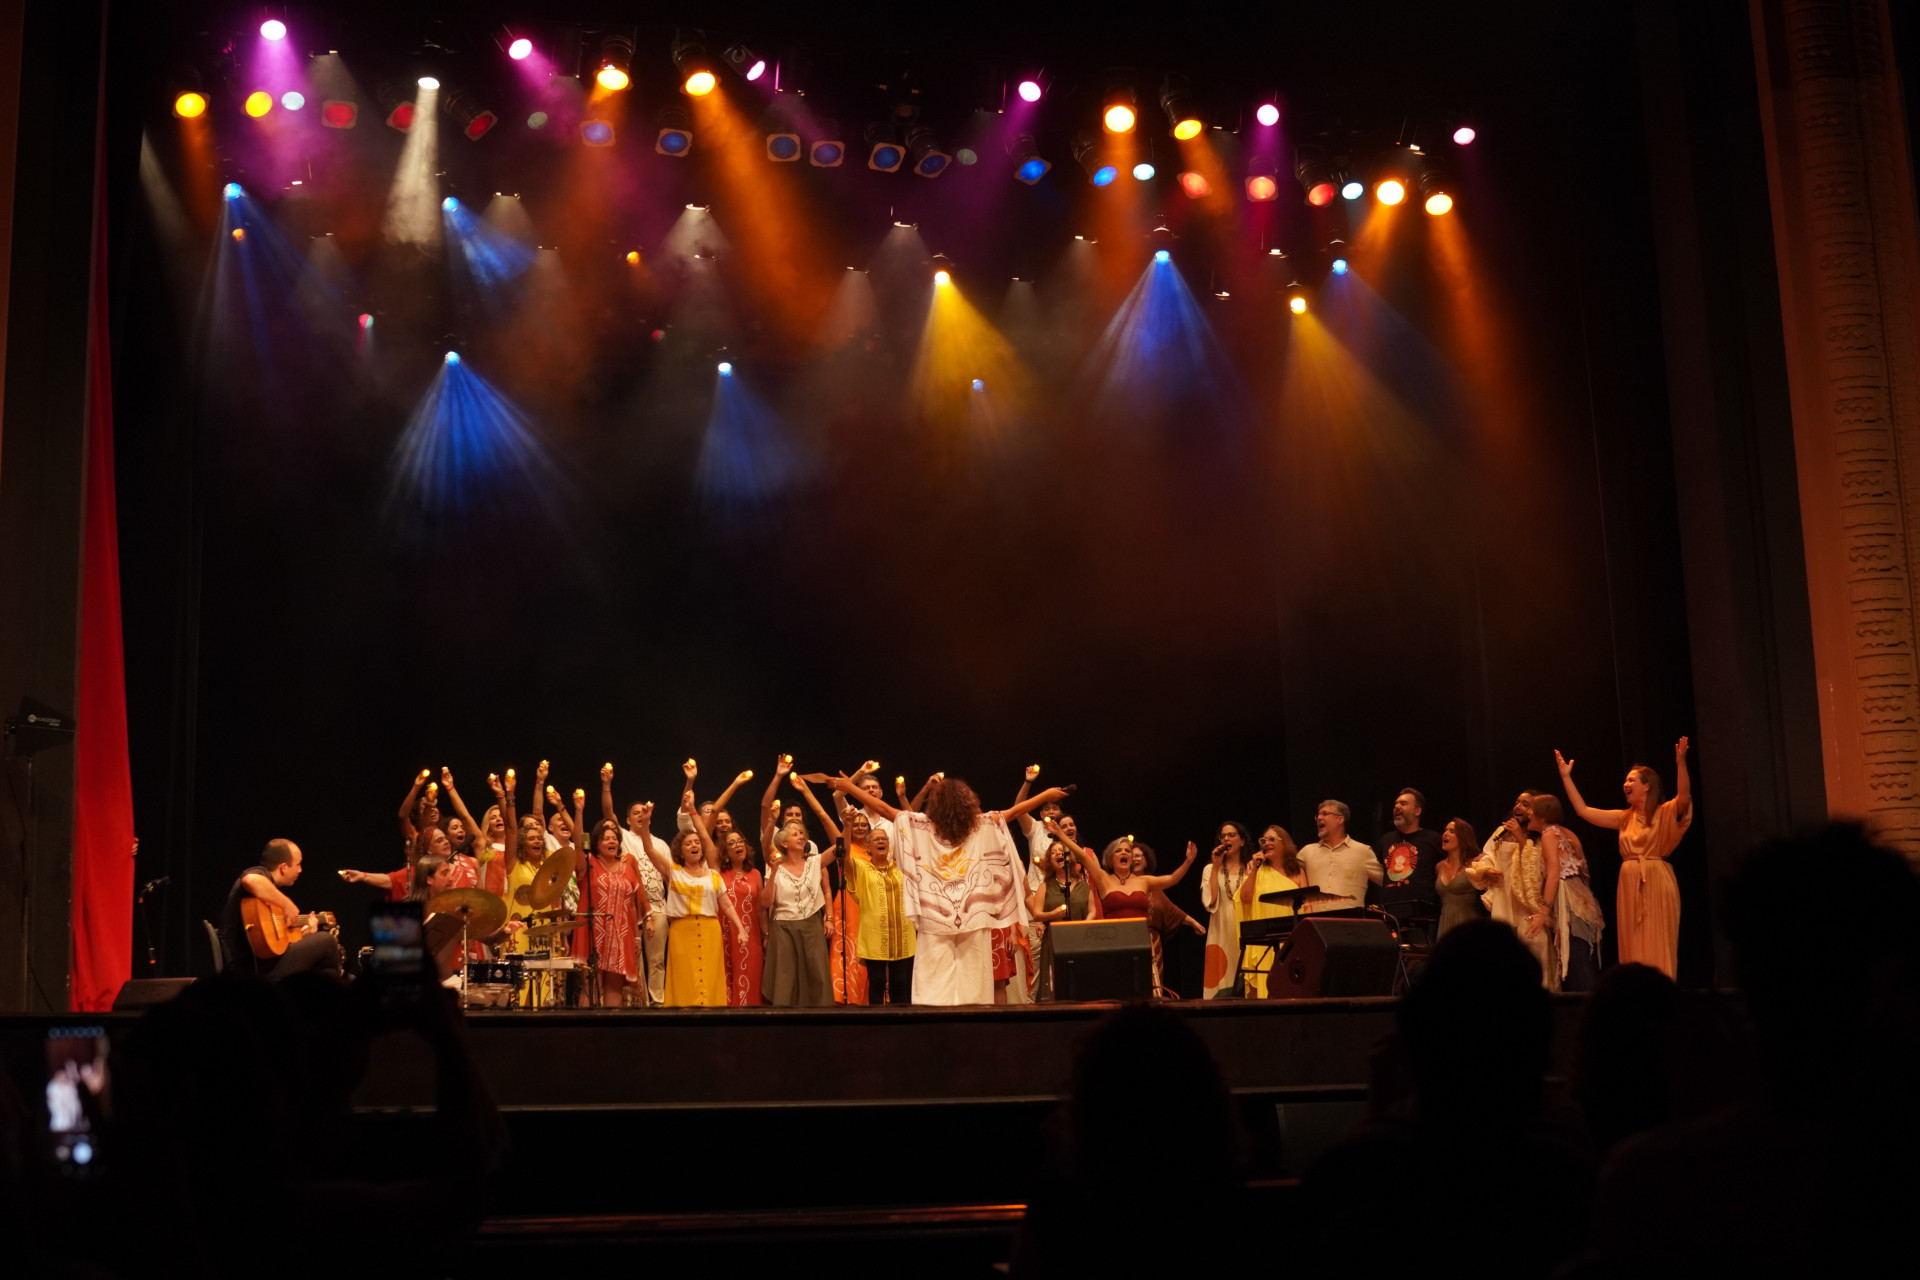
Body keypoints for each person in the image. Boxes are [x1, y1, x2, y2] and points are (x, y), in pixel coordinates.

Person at [831, 773, 1066, 1006]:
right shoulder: (982, 825)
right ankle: (974, 1022)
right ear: (967, 804)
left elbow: (883, 809)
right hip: (974, 917)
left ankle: (934, 1025)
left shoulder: (922, 826)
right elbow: (1014, 812)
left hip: (935, 918)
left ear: (936, 806)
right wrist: (1046, 794)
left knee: (933, 983)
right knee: (975, 982)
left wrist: (850, 788)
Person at [1558, 737, 1693, 979]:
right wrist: (1566, 777)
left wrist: (1680, 762)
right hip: (1629, 882)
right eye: (1626, 779)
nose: (1625, 783)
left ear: (1647, 786)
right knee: (1633, 938)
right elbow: (1584, 811)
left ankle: (1660, 987)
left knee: (1657, 934)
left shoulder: (1664, 813)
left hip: (1656, 879)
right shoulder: (1624, 818)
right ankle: (1635, 990)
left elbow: (1683, 798)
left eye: (1632, 780)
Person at [638, 798, 747, 1007]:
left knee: (710, 978)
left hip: (709, 930)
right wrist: (645, 825)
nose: (694, 845)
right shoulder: (673, 872)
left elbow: (727, 905)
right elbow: (649, 849)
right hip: (682, 931)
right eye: (689, 843)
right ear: (680, 850)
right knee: (684, 980)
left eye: (697, 842)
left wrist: (740, 928)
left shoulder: (713, 876)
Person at [219, 838, 343, 979]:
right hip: (249, 970)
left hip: (261, 964)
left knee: (321, 961)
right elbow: (250, 880)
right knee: (327, 941)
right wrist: (287, 904)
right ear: (284, 867)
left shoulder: (269, 895)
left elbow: (274, 943)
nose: (300, 870)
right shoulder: (259, 874)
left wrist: (304, 935)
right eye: (298, 864)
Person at [760, 777, 836, 1007]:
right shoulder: (775, 866)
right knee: (785, 979)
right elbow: (764, 903)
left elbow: (841, 843)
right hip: (783, 926)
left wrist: (809, 795)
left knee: (817, 976)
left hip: (811, 924)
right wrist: (772, 872)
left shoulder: (815, 862)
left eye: (802, 833)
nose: (801, 836)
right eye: (795, 834)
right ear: (783, 842)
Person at [602, 763, 668, 1004]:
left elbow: (670, 877)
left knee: (658, 959)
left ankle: (658, 1000)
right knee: (636, 958)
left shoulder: (661, 844)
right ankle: (639, 1001)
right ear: (628, 819)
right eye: (636, 813)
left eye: (644, 811)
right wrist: (607, 785)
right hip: (633, 911)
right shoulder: (624, 838)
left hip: (659, 909)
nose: (641, 814)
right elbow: (608, 813)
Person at [1531, 793, 1604, 991]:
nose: (1529, 813)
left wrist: (1543, 912)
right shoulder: (1569, 833)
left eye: (1532, 810)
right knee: (1583, 962)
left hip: (1569, 903)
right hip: (1583, 899)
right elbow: (1585, 873)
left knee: (1577, 963)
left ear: (1542, 816)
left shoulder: (1548, 836)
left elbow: (1554, 875)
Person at [842, 822, 916, 1004]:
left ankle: (904, 1026)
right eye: (876, 839)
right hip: (875, 936)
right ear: (868, 846)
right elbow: (844, 856)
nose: (881, 841)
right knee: (877, 982)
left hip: (903, 936)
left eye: (884, 838)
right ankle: (876, 1027)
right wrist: (847, 826)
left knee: (901, 982)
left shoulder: (901, 868)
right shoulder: (861, 868)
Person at [577, 816, 642, 1007]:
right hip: (593, 933)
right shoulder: (588, 864)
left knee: (615, 986)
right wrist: (579, 811)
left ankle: (610, 1034)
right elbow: (579, 842)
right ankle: (586, 1032)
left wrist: (636, 937)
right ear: (596, 844)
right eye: (606, 838)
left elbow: (631, 906)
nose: (612, 841)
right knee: (591, 983)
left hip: (620, 935)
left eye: (614, 838)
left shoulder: (627, 870)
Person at [1199, 821, 1261, 999]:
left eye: (1232, 835)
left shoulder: (1251, 867)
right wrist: (1216, 866)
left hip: (1246, 924)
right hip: (1221, 928)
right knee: (1221, 980)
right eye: (1223, 835)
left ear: (1242, 841)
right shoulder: (1211, 869)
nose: (1226, 838)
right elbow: (1210, 902)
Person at [1136, 842, 1204, 997]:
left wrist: (1194, 923)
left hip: (1152, 941)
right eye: (1132, 856)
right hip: (1130, 939)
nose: (1136, 859)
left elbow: (1172, 910)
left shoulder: (1153, 885)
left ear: (1147, 860)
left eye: (1139, 855)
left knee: (1155, 987)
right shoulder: (1120, 885)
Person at [1373, 788, 1443, 937]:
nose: (1397, 807)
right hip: (1390, 917)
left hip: (1422, 919)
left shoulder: (1433, 839)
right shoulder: (1386, 840)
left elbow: (1455, 862)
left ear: (1417, 811)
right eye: (1396, 803)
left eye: (1403, 803)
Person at [1026, 840, 1091, 1000]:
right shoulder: (1046, 886)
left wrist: (1084, 927)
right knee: (1056, 980)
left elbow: (1093, 911)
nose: (1059, 854)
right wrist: (1053, 914)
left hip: (1080, 938)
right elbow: (1037, 914)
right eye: (1054, 852)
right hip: (1054, 939)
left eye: (1062, 851)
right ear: (1050, 861)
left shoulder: (1084, 886)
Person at [1503, 805, 1556, 989]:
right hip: (1507, 904)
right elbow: (1491, 856)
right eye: (1517, 802)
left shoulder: (1544, 839)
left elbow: (1536, 875)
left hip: (1531, 909)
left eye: (1526, 804)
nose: (1518, 806)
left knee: (1536, 957)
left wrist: (1520, 838)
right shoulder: (1502, 833)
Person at [1296, 800, 1382, 911]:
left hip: (1351, 923)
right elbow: (1285, 876)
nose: (1319, 818)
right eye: (1318, 815)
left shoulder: (1362, 852)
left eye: (1325, 814)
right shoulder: (1306, 852)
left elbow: (1388, 882)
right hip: (1317, 923)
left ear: (1340, 819)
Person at [714, 828, 765, 1006]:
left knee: (751, 977)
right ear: (725, 853)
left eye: (740, 841)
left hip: (751, 936)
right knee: (727, 977)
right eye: (732, 843)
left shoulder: (756, 874)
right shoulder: (718, 873)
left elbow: (760, 909)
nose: (738, 845)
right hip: (725, 934)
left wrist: (767, 934)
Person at [1434, 817, 1486, 939]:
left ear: (1463, 837)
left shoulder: (1475, 865)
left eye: (1452, 831)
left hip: (1468, 925)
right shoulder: (1439, 866)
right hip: (1445, 925)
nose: (1445, 834)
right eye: (1445, 830)